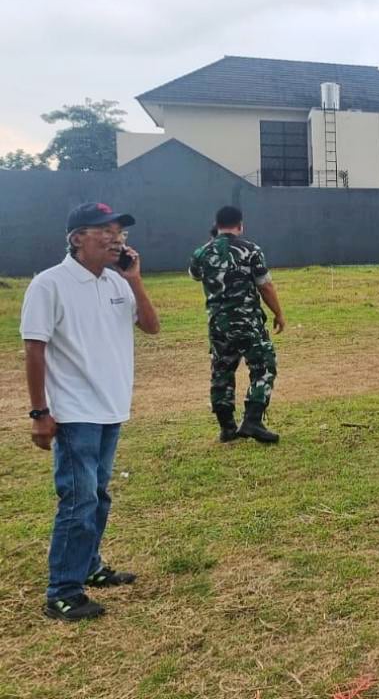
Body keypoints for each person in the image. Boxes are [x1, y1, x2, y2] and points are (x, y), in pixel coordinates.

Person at [21, 202, 161, 621]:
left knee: (97, 495)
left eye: (119, 231)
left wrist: (134, 281)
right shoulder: (50, 284)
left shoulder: (118, 283)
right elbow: (34, 348)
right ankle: (62, 591)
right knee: (78, 500)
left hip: (111, 407)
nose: (116, 237)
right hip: (75, 411)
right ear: (77, 237)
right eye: (105, 230)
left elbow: (152, 327)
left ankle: (90, 566)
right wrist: (39, 412)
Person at [189, 206, 285, 444]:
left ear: (216, 224)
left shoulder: (201, 253)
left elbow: (195, 275)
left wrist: (213, 246)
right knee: (264, 365)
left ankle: (227, 427)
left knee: (222, 371)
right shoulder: (250, 250)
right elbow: (264, 285)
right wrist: (278, 313)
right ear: (240, 225)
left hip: (218, 324)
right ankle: (252, 420)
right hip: (247, 321)